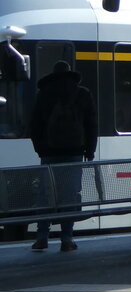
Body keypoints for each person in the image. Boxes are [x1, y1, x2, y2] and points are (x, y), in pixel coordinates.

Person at [28, 60, 97, 252]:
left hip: (49, 153)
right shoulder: (82, 93)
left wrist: (40, 149)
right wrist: (90, 150)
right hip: (74, 153)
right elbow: (91, 124)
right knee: (70, 196)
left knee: (45, 195)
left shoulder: (44, 94)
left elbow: (34, 125)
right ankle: (67, 239)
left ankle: (42, 236)